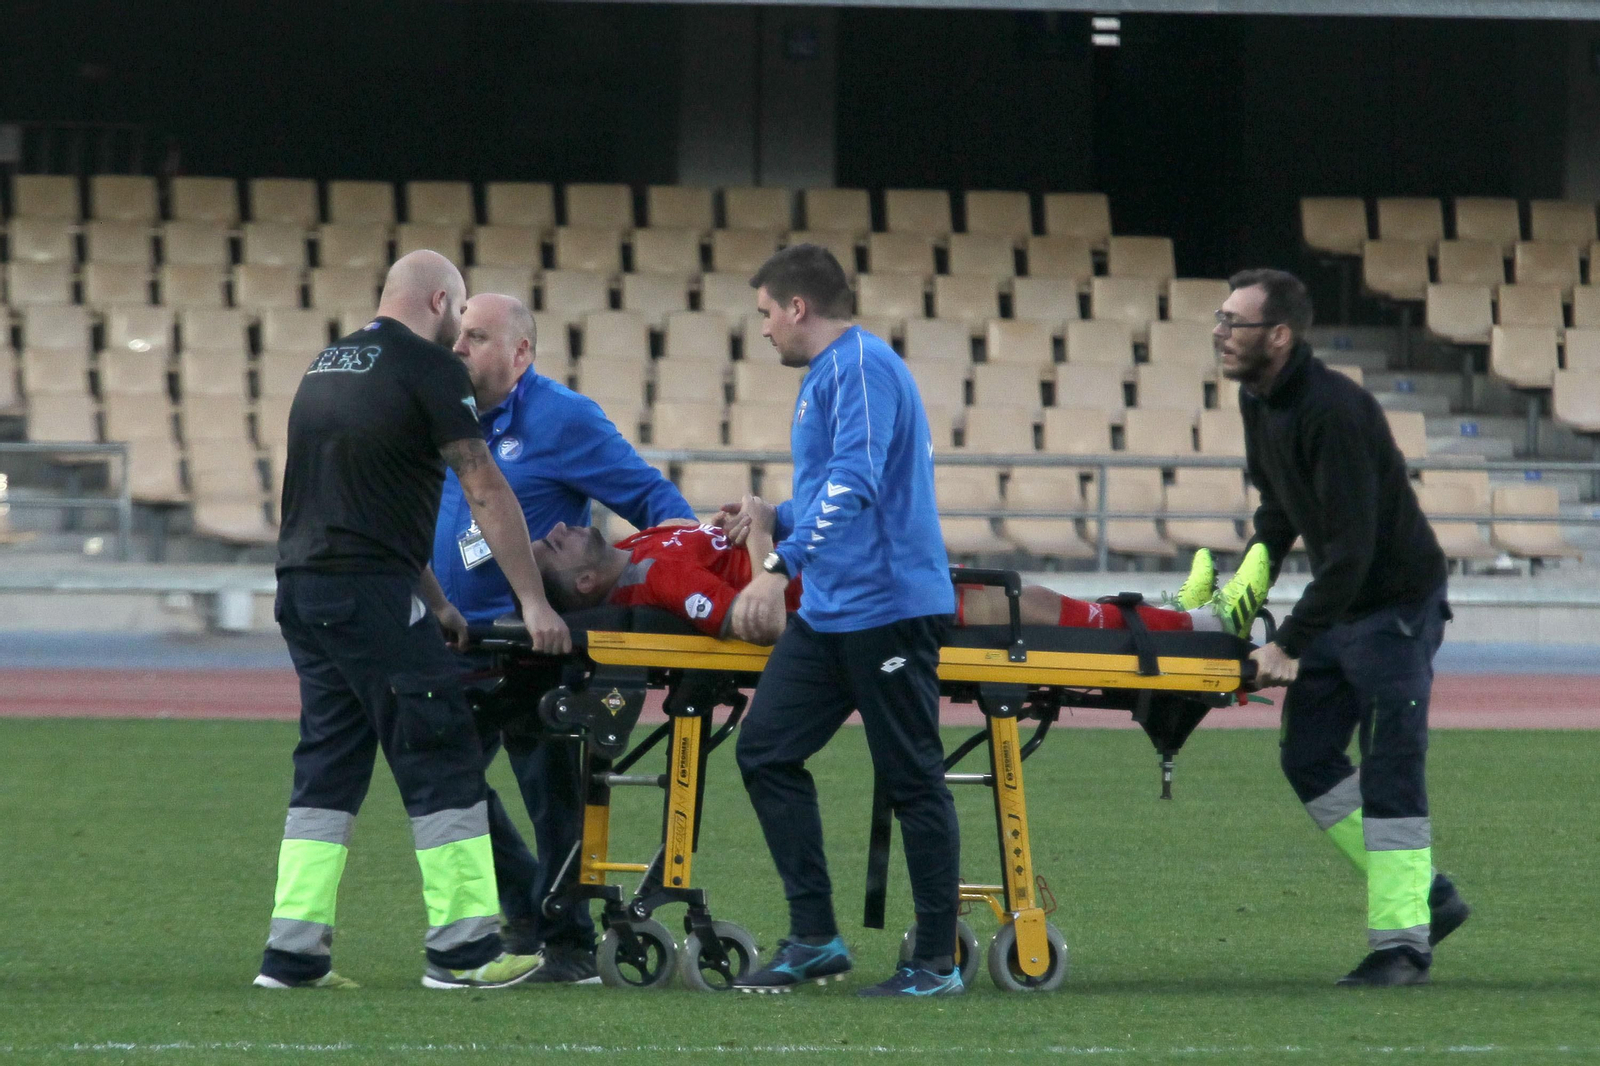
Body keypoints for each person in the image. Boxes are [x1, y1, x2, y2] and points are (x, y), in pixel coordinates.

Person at [257, 251, 568, 992]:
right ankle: (463, 954)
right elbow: (484, 484)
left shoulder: (327, 365)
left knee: (327, 770)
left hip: (304, 587)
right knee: (443, 750)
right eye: (459, 318)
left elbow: (360, 500)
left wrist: (437, 603)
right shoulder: (428, 370)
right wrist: (533, 600)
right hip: (367, 594)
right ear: (438, 300)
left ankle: (293, 956)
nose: (460, 339)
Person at [432, 292, 696, 982]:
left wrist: (665, 593)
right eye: (458, 335)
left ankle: (567, 943)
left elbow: (655, 503)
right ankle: (533, 910)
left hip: (535, 643)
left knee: (550, 796)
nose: (459, 348)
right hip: (455, 637)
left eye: (479, 336)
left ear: (522, 353)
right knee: (436, 773)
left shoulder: (563, 419)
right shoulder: (436, 409)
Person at [1218, 267, 1470, 988]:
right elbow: (1277, 514)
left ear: (1279, 334)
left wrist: (1288, 642)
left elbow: (1355, 550)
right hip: (1346, 602)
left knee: (1390, 774)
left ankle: (1403, 947)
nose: (1220, 331)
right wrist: (1242, 600)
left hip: (1393, 604)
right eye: (1220, 318)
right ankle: (1426, 896)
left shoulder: (1334, 411)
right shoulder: (1258, 400)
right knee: (1308, 757)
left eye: (1235, 321)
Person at [530, 510, 1271, 642]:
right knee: (1019, 604)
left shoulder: (649, 544)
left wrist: (742, 522)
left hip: (855, 565)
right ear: (589, 588)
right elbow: (749, 622)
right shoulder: (657, 582)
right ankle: (1208, 627)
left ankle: (1171, 613)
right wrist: (758, 533)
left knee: (1017, 596)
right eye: (553, 550)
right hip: (861, 598)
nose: (557, 530)